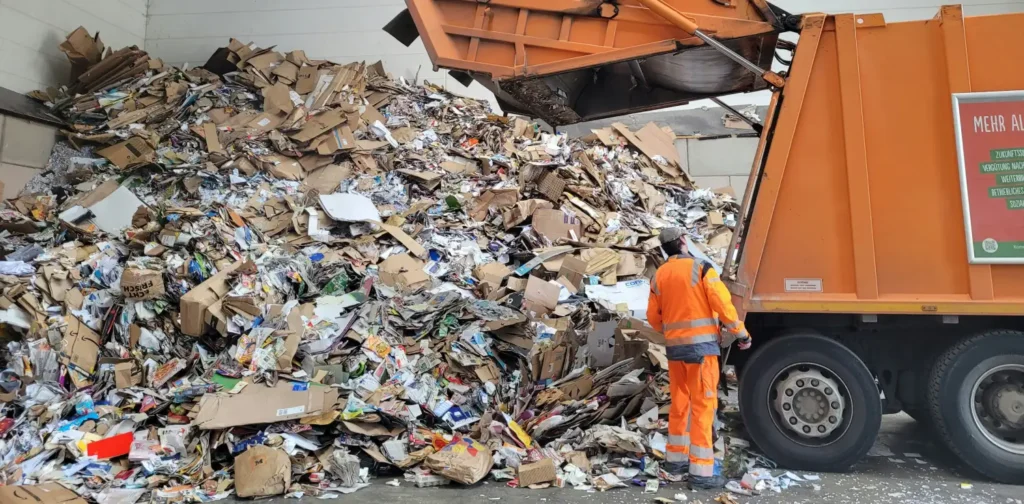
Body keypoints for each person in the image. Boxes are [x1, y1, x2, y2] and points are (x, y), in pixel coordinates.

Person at [647, 228, 751, 490]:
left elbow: (653, 318)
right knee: (703, 405)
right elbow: (722, 304)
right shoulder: (702, 268)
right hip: (701, 351)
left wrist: (673, 332)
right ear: (683, 241)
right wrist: (741, 333)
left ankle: (676, 461)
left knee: (680, 403)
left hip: (675, 351)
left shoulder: (659, 275)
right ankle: (702, 473)